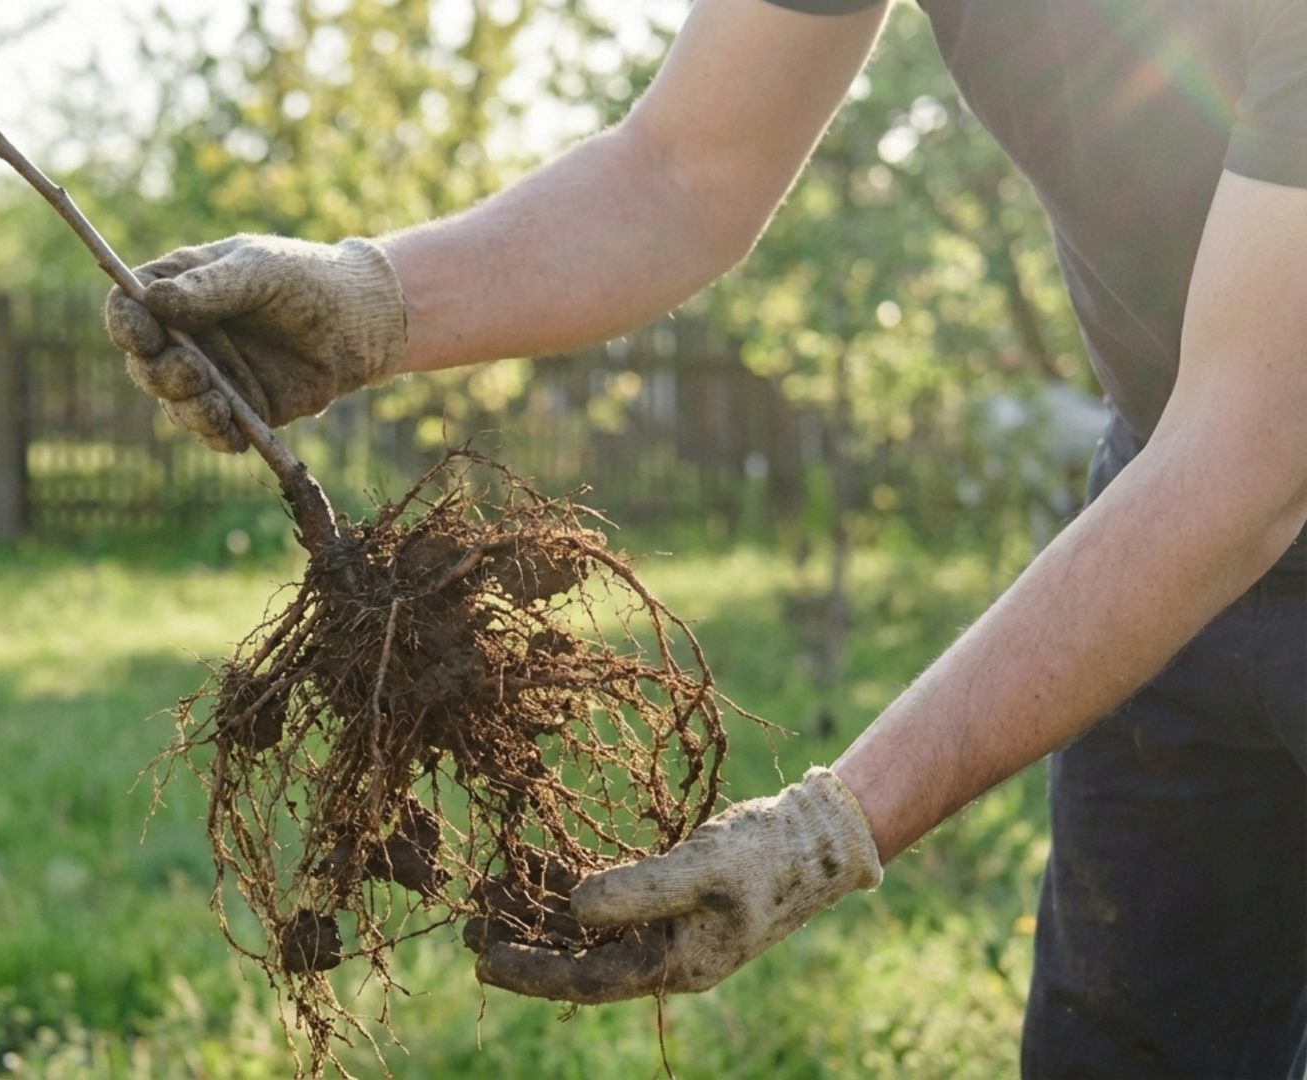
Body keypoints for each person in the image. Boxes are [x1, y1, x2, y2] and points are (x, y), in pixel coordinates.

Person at [103, 0, 1307, 1074]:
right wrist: (371, 297)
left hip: (1218, 478)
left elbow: (1243, 459)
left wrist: (831, 830)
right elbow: (682, 171)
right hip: (1165, 516)